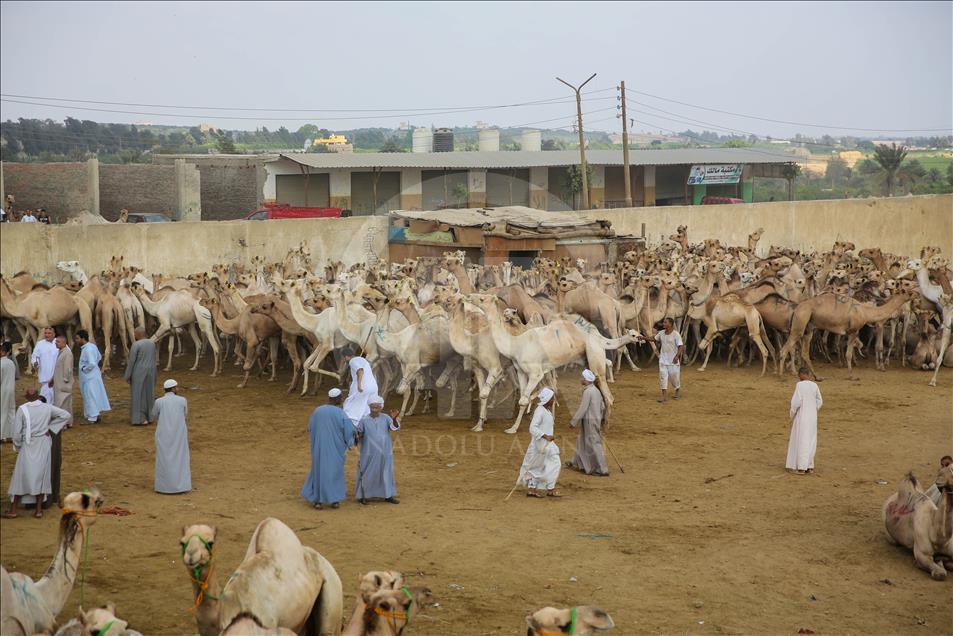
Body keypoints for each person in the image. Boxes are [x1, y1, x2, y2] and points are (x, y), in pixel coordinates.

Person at [5, 389, 72, 518]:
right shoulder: (47, 407)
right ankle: (39, 510)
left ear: (27, 397)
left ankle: (14, 510)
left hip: (28, 444)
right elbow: (65, 415)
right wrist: (51, 428)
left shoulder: (22, 409)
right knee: (41, 476)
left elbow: (17, 432)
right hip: (43, 443)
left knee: (20, 475)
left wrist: (18, 445)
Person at [302, 388, 355, 510]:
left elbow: (311, 427)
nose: (342, 399)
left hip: (319, 448)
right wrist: (351, 441)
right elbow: (348, 431)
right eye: (341, 397)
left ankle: (317, 501)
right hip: (335, 449)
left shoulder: (317, 411)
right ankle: (334, 500)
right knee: (335, 471)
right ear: (336, 399)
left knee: (318, 470)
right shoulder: (341, 413)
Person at [354, 394, 400, 505]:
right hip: (368, 452)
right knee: (367, 472)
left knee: (385, 472)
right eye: (372, 407)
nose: (375, 409)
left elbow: (395, 428)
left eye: (377, 407)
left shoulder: (386, 418)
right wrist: (356, 437)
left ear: (381, 407)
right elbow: (358, 435)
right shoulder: (364, 420)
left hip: (385, 452)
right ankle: (363, 495)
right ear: (369, 407)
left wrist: (394, 419)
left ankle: (387, 495)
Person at [517, 388, 562, 498]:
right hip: (542, 443)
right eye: (552, 399)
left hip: (543, 443)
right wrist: (545, 435)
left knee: (538, 464)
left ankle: (534, 489)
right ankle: (550, 488)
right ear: (547, 400)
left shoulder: (546, 410)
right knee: (555, 462)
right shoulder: (540, 411)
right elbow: (532, 428)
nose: (553, 401)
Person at [150, 379, 191, 494]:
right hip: (179, 434)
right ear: (173, 389)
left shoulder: (159, 401)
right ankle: (181, 486)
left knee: (164, 458)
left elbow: (153, 415)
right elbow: (185, 414)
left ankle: (164, 487)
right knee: (180, 457)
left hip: (163, 434)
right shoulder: (182, 400)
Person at [567, 369, 608, 476]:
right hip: (594, 420)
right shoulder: (596, 390)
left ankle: (602, 469)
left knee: (594, 444)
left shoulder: (588, 392)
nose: (580, 379)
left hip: (590, 422)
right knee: (581, 441)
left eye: (582, 377)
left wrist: (573, 422)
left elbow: (583, 408)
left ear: (586, 380)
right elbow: (602, 407)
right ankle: (576, 462)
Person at [786, 367, 823, 475]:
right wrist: (812, 408)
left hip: (802, 416)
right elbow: (819, 401)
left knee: (802, 440)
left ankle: (801, 467)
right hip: (812, 417)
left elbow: (795, 402)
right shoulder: (815, 385)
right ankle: (810, 466)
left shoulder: (800, 385)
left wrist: (792, 414)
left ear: (802, 374)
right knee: (811, 440)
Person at [50, 335, 74, 507]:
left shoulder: (67, 353)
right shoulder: (61, 352)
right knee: (63, 403)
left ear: (64, 342)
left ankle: (65, 423)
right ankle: (68, 421)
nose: (56, 343)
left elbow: (67, 369)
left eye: (58, 341)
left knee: (62, 403)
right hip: (58, 382)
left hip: (63, 383)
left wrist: (65, 380)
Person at [75, 330, 111, 424]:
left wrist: (84, 369)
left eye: (77, 338)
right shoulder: (92, 346)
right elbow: (98, 357)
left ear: (83, 338)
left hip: (89, 377)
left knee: (90, 395)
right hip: (92, 376)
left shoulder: (88, 349)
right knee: (93, 395)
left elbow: (92, 363)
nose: (76, 340)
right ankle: (95, 414)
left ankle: (92, 417)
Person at [124, 328, 157, 426]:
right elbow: (154, 359)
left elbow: (131, 361)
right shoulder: (152, 343)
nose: (134, 335)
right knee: (149, 393)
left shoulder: (136, 345)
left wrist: (127, 375)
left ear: (138, 334)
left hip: (139, 372)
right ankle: (150, 416)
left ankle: (140, 418)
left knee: (138, 394)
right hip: (151, 371)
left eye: (134, 333)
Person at [342, 347, 379, 426]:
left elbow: (360, 370)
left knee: (352, 404)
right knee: (367, 406)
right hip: (373, 387)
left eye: (344, 358)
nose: (344, 360)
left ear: (346, 356)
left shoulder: (352, 361)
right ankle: (369, 424)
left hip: (363, 387)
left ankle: (352, 424)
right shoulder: (363, 359)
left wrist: (359, 384)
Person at [651, 317, 684, 403]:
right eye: (664, 322)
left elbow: (681, 346)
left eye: (665, 322)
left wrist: (677, 356)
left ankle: (677, 389)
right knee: (663, 377)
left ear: (670, 324)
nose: (663, 324)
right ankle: (664, 397)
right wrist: (643, 338)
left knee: (674, 377)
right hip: (663, 359)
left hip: (673, 360)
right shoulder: (661, 333)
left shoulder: (676, 334)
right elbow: (654, 338)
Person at [31, 327, 58, 404]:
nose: (47, 335)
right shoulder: (40, 344)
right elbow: (34, 357)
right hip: (45, 375)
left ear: (54, 334)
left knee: (56, 398)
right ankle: (46, 414)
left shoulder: (59, 342)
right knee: (45, 397)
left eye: (49, 333)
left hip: (57, 376)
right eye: (45, 333)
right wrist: (35, 363)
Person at [1, 342, 18, 442]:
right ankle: (12, 434)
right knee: (11, 411)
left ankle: (2, 435)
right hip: (11, 389)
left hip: (3, 389)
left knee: (2, 412)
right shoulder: (11, 363)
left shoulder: (1, 363)